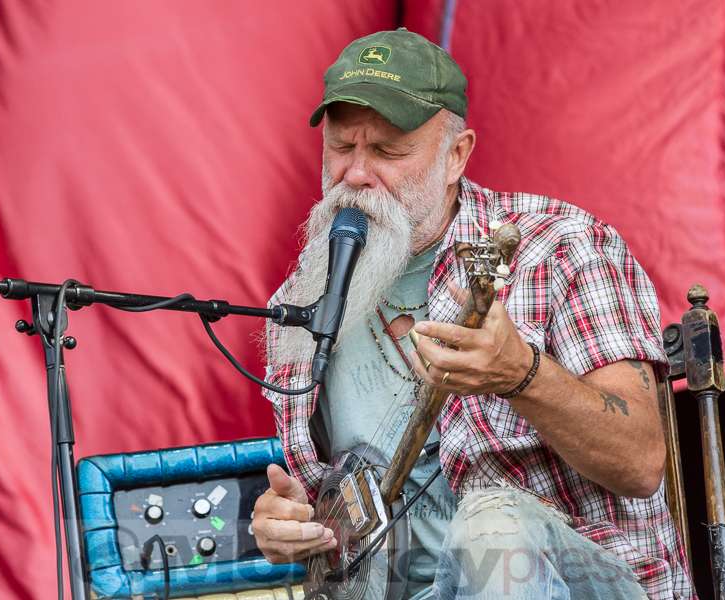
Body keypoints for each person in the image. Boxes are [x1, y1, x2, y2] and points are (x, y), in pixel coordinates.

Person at [251, 29, 694, 600]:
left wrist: (523, 375)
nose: (356, 174)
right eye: (341, 147)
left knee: (493, 528)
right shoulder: (303, 298)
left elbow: (640, 462)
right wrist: (290, 526)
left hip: (575, 583)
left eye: (387, 151)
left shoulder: (562, 249)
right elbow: (336, 509)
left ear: (456, 155)